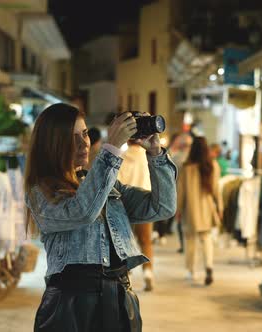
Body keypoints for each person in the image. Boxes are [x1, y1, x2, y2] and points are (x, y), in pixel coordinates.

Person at [24, 103, 176, 332]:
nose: (83, 143)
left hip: (119, 300)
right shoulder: (40, 192)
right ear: (52, 143)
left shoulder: (105, 184)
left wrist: (155, 153)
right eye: (71, 136)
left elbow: (162, 207)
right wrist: (112, 148)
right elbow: (83, 211)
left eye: (84, 133)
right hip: (72, 308)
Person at [176, 136, 222, 286]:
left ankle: (191, 270)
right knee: (206, 238)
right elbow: (217, 190)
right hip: (207, 208)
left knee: (190, 240)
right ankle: (209, 266)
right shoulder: (212, 166)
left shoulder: (186, 167)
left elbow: (180, 190)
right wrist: (220, 207)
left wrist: (178, 209)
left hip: (191, 209)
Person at [117, 140, 155, 292]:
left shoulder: (122, 156)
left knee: (125, 243)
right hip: (145, 202)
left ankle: (128, 277)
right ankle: (148, 274)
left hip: (124, 204)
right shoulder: (147, 156)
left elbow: (117, 180)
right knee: (146, 241)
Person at [168, 133, 193, 253]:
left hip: (178, 191)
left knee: (180, 218)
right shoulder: (195, 159)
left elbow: (170, 176)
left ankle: (184, 244)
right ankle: (189, 243)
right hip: (192, 192)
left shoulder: (175, 158)